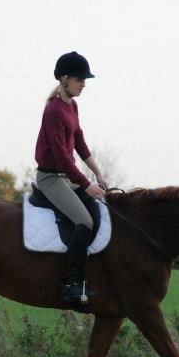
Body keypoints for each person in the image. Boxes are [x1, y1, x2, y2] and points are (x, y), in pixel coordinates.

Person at [34, 51, 108, 304]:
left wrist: (98, 173)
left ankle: (88, 278)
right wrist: (86, 185)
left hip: (65, 177)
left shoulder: (72, 106)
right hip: (50, 179)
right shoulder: (54, 111)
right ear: (64, 79)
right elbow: (63, 159)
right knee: (84, 223)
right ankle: (71, 284)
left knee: (96, 210)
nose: (83, 84)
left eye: (84, 80)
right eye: (79, 80)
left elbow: (79, 142)